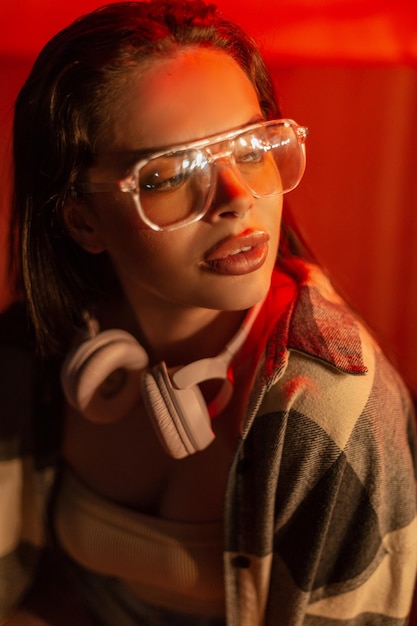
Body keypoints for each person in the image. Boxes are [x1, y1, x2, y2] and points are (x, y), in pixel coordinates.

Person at [1, 1, 416, 624]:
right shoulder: (36, 351)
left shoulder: (334, 415)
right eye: (168, 174)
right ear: (83, 220)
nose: (237, 199)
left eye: (251, 149)